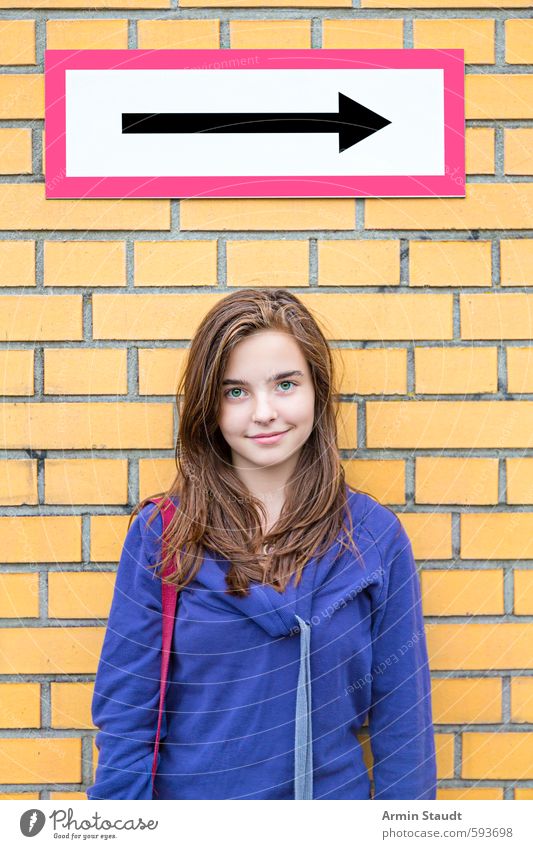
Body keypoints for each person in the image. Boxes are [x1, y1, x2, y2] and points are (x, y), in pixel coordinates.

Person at [86, 287, 437, 801]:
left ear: (317, 390)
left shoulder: (374, 538)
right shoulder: (162, 536)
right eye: (236, 391)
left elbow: (402, 720)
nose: (264, 412)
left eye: (285, 384)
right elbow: (128, 715)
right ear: (210, 407)